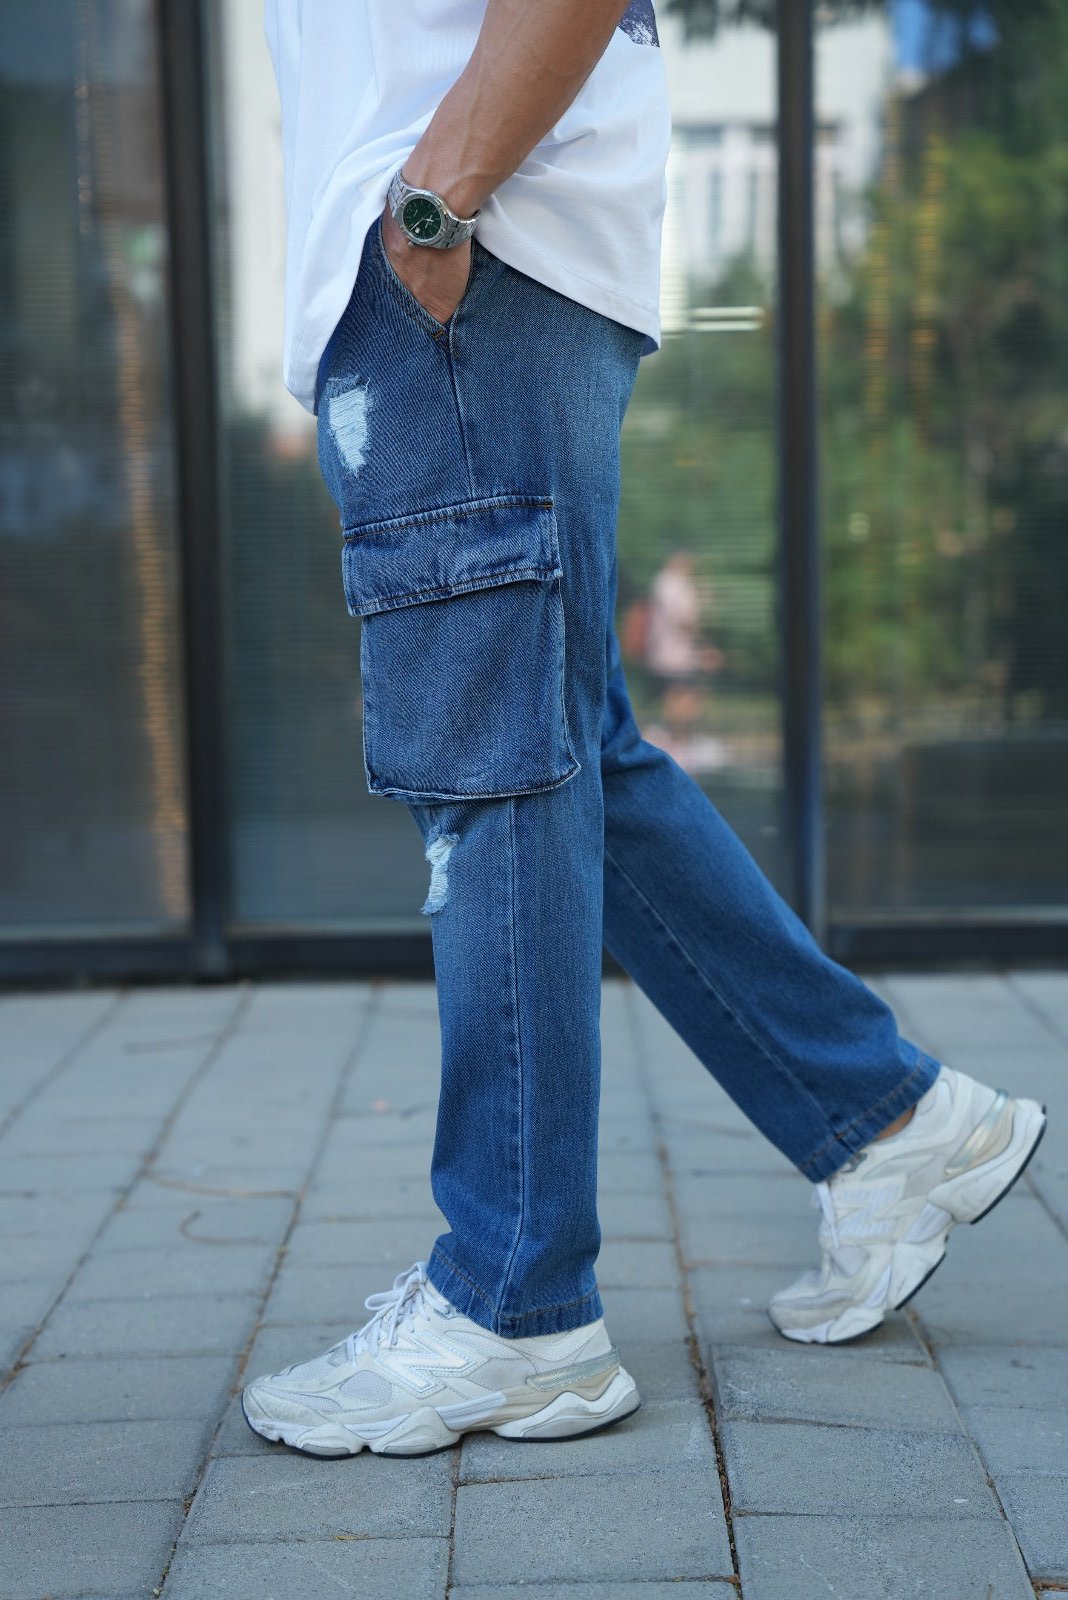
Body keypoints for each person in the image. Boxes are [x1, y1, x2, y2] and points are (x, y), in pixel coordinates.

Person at [243, 0, 1047, 1459]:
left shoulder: (444, 231)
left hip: (466, 256)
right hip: (492, 263)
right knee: (572, 758)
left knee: (498, 776)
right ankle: (887, 1120)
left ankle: (515, 1306)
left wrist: (429, 210)